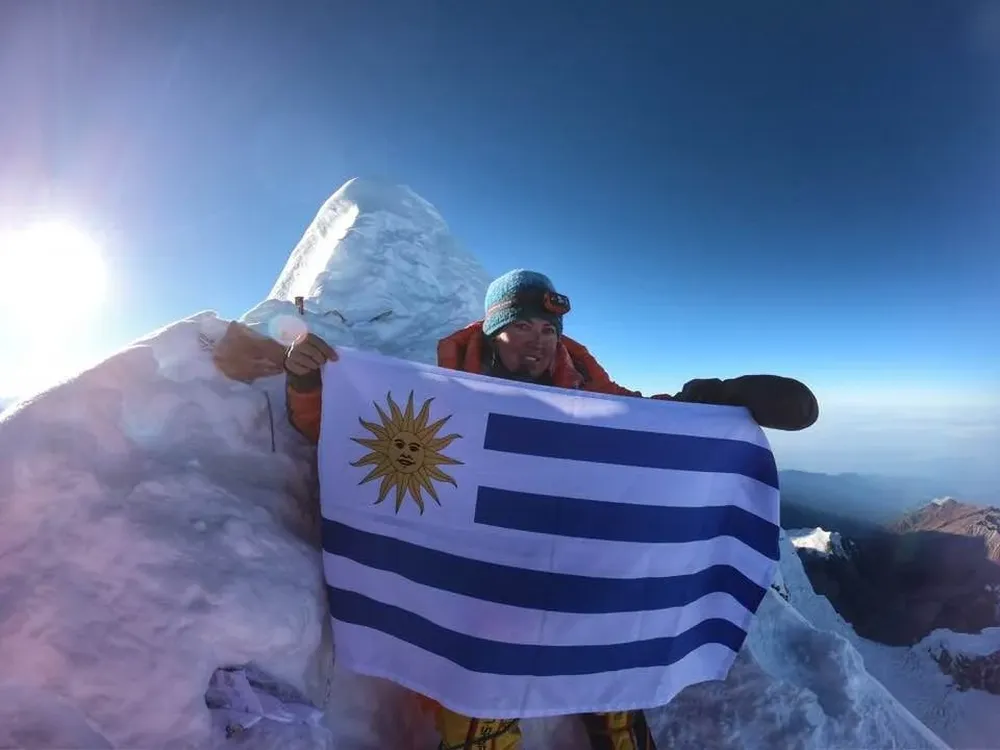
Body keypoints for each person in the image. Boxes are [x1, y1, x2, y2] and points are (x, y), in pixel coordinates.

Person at [284, 269, 819, 750]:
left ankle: (614, 717)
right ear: (494, 331)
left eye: (548, 330)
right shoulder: (447, 395)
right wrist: (309, 384)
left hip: (574, 568)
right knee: (479, 672)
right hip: (483, 579)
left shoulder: (583, 387)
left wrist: (706, 403)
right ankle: (484, 727)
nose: (538, 343)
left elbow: (640, 426)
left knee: (608, 635)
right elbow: (353, 436)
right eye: (523, 328)